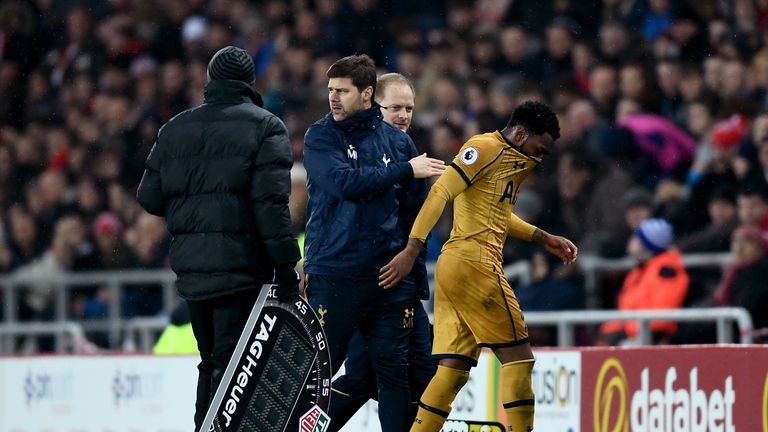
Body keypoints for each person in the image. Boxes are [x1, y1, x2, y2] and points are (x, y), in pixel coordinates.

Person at [380, 101, 578, 432]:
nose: (540, 158)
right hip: (476, 264)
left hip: (453, 267)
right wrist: (412, 249)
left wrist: (542, 237)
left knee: (452, 370)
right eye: (539, 149)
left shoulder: (507, 160)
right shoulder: (484, 148)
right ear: (520, 133)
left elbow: (496, 213)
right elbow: (441, 191)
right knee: (519, 359)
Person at [136, 46, 301, 431]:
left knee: (211, 363)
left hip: (193, 273)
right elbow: (270, 207)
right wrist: (286, 266)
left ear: (211, 81)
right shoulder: (266, 127)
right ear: (249, 83)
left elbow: (149, 197)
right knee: (234, 368)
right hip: (243, 271)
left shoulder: (174, 128)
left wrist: (192, 204)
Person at [302, 55, 445, 432]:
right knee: (319, 375)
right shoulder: (320, 137)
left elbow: (416, 215)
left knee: (394, 376)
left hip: (388, 280)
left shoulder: (400, 144)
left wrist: (411, 265)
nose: (333, 97)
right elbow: (343, 184)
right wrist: (405, 170)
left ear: (365, 94)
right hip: (335, 276)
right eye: (331, 90)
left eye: (342, 90)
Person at [598, 218, 689, 345]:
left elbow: (660, 319)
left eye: (636, 237)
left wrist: (625, 330)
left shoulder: (666, 271)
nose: (631, 241)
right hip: (633, 332)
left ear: (646, 245)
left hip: (649, 338)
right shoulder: (641, 270)